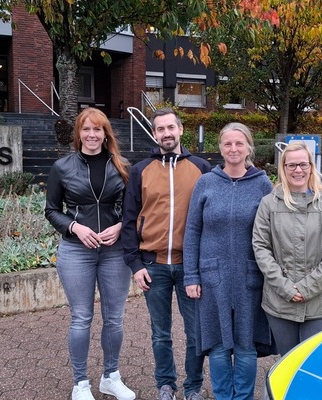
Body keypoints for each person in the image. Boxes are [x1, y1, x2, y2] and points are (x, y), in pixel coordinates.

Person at [44, 107, 136, 400]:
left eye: (98, 129)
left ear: (105, 133)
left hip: (114, 250)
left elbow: (133, 209)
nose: (92, 135)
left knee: (114, 318)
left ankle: (111, 377)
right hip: (76, 251)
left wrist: (121, 226)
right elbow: (51, 210)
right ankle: (80, 383)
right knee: (82, 317)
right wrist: (75, 228)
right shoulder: (63, 167)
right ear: (78, 134)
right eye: (86, 129)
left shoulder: (121, 166)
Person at [121, 108, 211, 400]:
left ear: (180, 129)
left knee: (196, 332)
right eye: (160, 129)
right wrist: (135, 265)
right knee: (161, 333)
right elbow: (129, 218)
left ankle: (194, 387)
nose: (166, 133)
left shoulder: (201, 167)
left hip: (190, 268)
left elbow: (211, 217)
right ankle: (166, 384)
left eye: (170, 127)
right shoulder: (141, 170)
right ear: (154, 134)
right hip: (153, 265)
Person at [183, 123, 274, 400]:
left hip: (250, 277)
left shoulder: (262, 184)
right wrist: (191, 276)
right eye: (227, 144)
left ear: (248, 147)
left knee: (245, 345)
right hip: (212, 277)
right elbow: (192, 230)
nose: (233, 149)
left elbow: (273, 230)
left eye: (239, 143)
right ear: (220, 148)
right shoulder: (206, 182)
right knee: (219, 345)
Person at [251, 143, 322, 355]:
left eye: (303, 164)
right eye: (291, 165)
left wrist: (307, 288)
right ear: (283, 168)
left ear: (311, 167)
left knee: (317, 362)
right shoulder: (269, 204)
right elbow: (261, 247)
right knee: (288, 362)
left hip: (320, 303)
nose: (298, 170)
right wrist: (285, 287)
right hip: (280, 302)